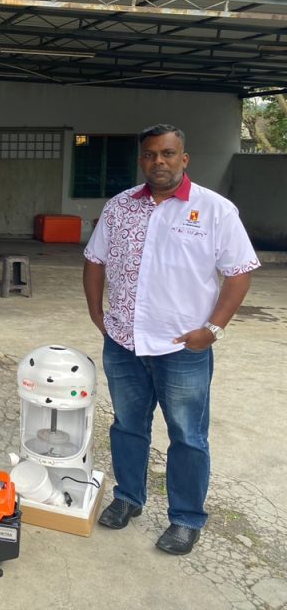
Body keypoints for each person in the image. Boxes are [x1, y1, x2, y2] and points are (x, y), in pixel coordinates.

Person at [83, 124, 259, 556]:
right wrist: (96, 313)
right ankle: (129, 497)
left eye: (167, 153)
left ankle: (185, 518)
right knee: (127, 426)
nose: (158, 161)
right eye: (150, 155)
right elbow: (95, 260)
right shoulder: (119, 207)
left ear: (184, 158)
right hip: (123, 342)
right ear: (141, 160)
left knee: (187, 436)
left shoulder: (215, 210)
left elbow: (239, 273)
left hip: (183, 347)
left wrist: (212, 329)